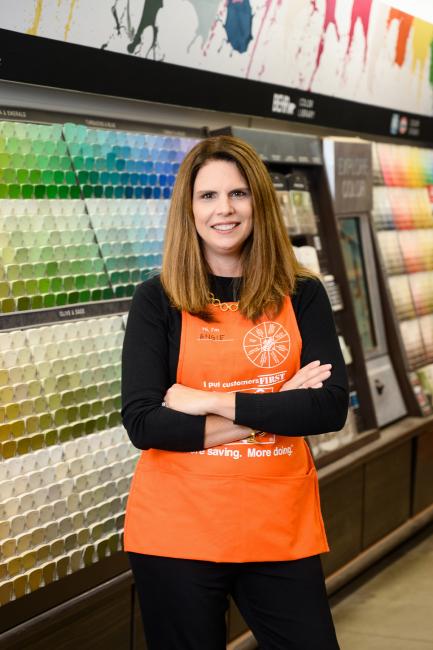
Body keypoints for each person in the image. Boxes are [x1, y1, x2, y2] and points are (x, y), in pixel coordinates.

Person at [121, 135, 348, 649]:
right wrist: (276, 404)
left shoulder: (302, 293)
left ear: (258, 203)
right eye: (208, 196)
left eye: (239, 194)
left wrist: (210, 401)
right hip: (177, 530)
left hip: (276, 523)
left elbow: (329, 405)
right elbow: (145, 423)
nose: (224, 209)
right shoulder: (157, 300)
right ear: (189, 208)